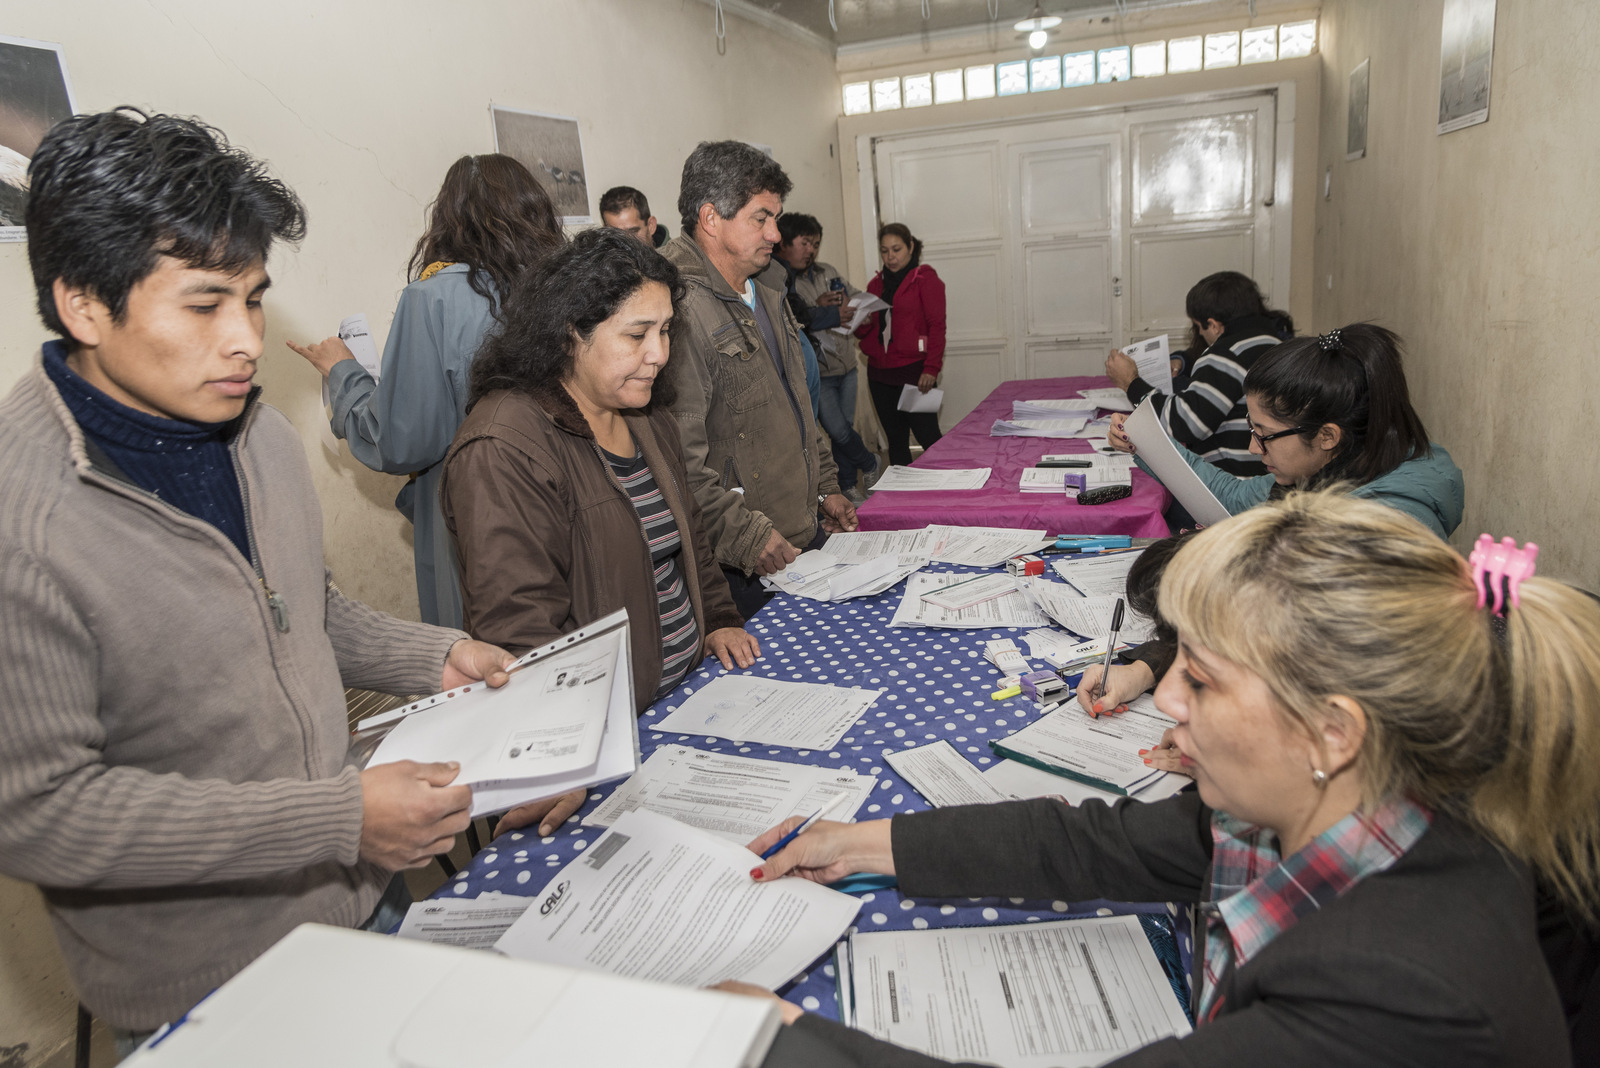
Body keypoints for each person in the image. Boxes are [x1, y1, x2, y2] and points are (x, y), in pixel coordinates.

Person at [737, 491, 1600, 1066]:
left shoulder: (1405, 994)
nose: (1171, 699)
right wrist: (859, 841)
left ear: (1333, 731)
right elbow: (1088, 843)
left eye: (1203, 678)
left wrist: (775, 1039)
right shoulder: (1356, 800)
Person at [1, 110, 518, 1041]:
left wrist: (433, 654)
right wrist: (335, 819)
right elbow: (43, 814)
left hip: (361, 900)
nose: (245, 340)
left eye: (253, 298)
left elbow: (297, 605)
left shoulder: (256, 433)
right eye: (205, 306)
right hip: (204, 983)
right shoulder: (25, 520)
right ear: (83, 303)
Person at [443, 228, 762, 835]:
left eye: (667, 331)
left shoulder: (645, 411)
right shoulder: (502, 446)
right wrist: (565, 756)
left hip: (674, 708)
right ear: (571, 336)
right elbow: (520, 625)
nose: (660, 354)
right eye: (637, 335)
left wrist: (719, 616)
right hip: (593, 747)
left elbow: (689, 534)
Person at [287, 154, 564, 629]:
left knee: (489, 660)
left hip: (476, 516)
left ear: (448, 218)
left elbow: (402, 441)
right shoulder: (562, 289)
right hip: (562, 500)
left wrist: (343, 374)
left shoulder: (431, 298)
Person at [660, 141, 855, 619]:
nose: (775, 233)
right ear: (710, 218)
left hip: (799, 536)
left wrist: (825, 486)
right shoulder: (676, 307)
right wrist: (745, 536)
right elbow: (679, 459)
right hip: (741, 562)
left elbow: (796, 404)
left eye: (776, 217)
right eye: (760, 218)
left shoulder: (767, 286)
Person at [1108, 323, 1465, 539]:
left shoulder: (1384, 530)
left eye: (1263, 433)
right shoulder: (1326, 469)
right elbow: (1230, 497)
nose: (1252, 447)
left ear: (1327, 436)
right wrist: (1143, 439)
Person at [1105, 270, 1291, 477]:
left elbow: (1183, 424)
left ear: (1213, 325)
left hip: (1233, 483)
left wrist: (1131, 383)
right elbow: (1226, 376)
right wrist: (1182, 361)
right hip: (1269, 474)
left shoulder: (1226, 355)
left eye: (1198, 326)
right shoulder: (1275, 343)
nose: (1200, 333)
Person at [773, 213, 878, 500]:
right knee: (838, 430)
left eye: (816, 244)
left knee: (842, 431)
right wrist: (818, 307)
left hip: (847, 366)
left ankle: (846, 487)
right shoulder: (780, 279)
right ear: (783, 243)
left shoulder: (827, 271)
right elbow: (797, 317)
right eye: (804, 243)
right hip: (821, 371)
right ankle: (869, 462)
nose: (811, 251)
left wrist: (859, 311)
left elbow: (856, 296)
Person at [855, 222, 944, 467]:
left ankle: (952, 490)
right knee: (895, 441)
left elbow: (937, 326)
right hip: (880, 375)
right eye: (885, 251)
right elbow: (864, 332)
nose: (890, 257)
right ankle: (901, 501)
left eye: (896, 249)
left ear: (910, 247)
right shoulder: (875, 285)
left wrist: (931, 368)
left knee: (928, 437)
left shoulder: (926, 279)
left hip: (914, 372)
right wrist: (860, 321)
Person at [600, 184, 669, 247]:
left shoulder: (675, 257)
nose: (625, 244)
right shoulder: (601, 258)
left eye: (632, 233)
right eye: (616, 235)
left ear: (651, 226)